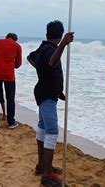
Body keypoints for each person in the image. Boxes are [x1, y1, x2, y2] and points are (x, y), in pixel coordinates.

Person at [27, 21, 73, 186]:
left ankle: (42, 165)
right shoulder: (49, 49)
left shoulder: (42, 47)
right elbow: (52, 63)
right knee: (52, 131)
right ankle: (47, 175)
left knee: (42, 127)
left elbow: (30, 58)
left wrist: (44, 74)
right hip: (46, 95)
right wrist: (63, 45)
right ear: (59, 35)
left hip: (45, 93)